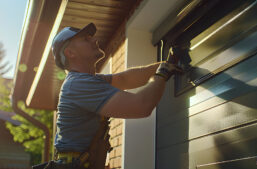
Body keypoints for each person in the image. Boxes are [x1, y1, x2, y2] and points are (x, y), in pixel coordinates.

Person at [49, 23, 181, 169]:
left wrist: (164, 64)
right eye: (86, 40)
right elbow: (141, 106)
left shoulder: (86, 81)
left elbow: (124, 79)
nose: (94, 40)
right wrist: (162, 73)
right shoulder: (78, 85)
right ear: (70, 53)